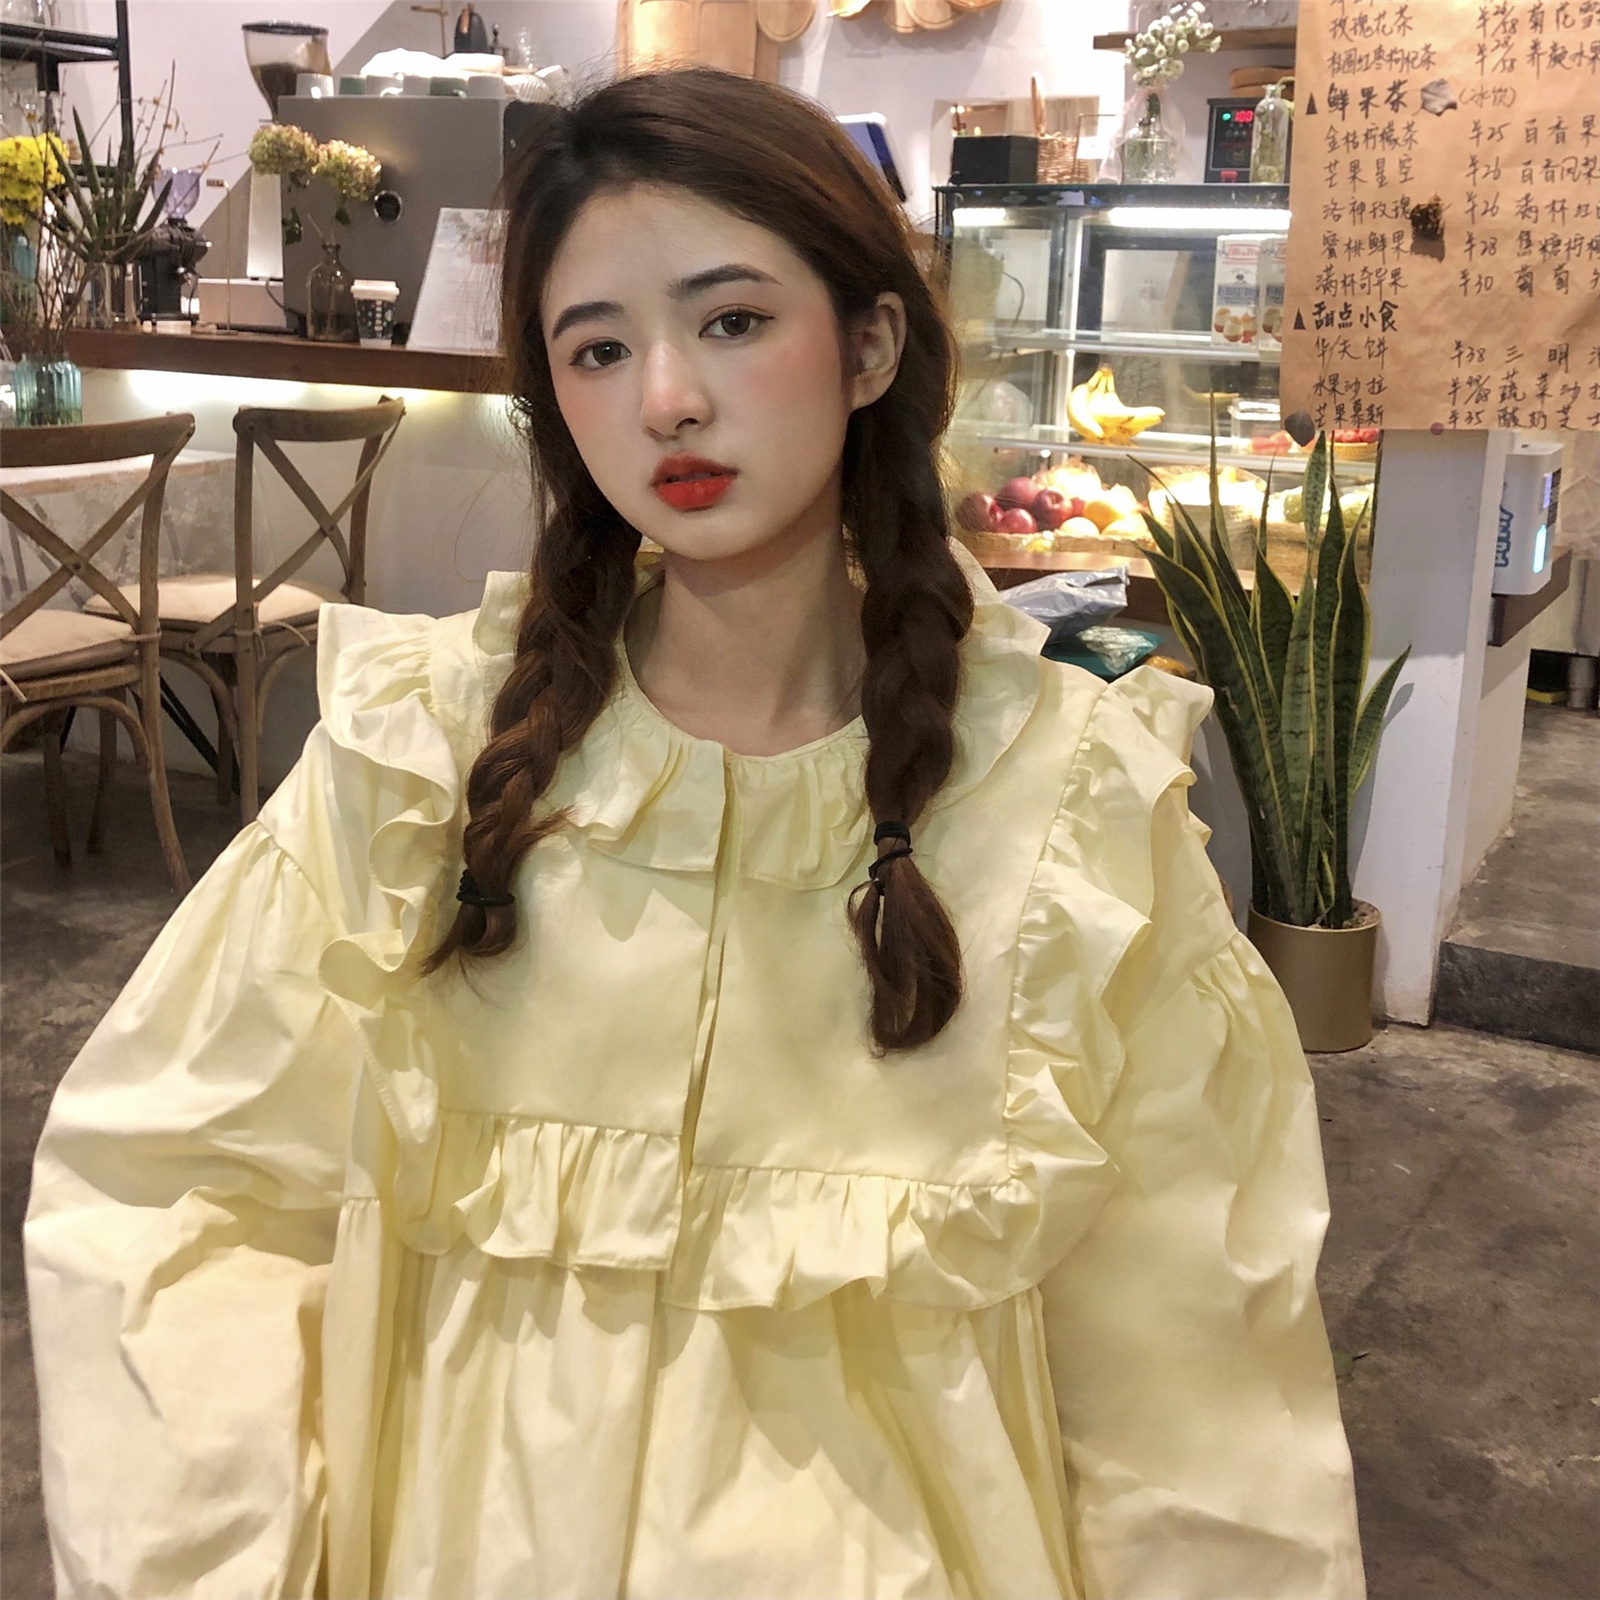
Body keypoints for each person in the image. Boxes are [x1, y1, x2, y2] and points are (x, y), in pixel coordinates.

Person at [25, 69, 1364, 1600]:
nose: (665, 397)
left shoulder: (1074, 813)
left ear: (870, 344)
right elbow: (177, 1183)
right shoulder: (419, 758)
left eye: (730, 320)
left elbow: (1198, 1389)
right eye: (598, 348)